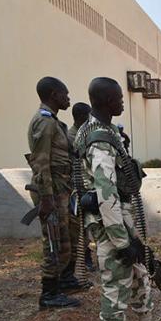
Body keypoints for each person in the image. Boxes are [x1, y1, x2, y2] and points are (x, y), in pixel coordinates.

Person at [75, 77, 161, 321]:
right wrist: (122, 241)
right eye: (119, 98)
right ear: (107, 101)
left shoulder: (102, 130)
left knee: (139, 273)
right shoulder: (99, 140)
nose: (123, 102)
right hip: (111, 223)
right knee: (116, 284)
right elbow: (106, 194)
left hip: (120, 217)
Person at [26, 77, 81, 309]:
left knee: (64, 240)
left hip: (60, 190)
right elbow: (41, 162)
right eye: (64, 94)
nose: (68, 98)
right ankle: (48, 295)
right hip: (51, 192)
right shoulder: (44, 122)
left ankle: (62, 284)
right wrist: (47, 197)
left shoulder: (53, 122)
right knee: (53, 243)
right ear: (53, 94)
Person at [67, 102, 95, 273]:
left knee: (86, 224)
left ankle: (86, 256)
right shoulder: (71, 137)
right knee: (79, 225)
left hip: (85, 184)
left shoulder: (83, 133)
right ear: (81, 117)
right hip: (75, 186)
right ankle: (83, 257)